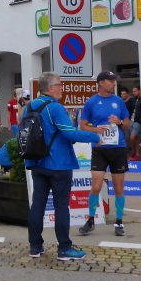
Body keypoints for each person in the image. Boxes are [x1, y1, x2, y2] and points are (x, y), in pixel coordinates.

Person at [25, 72, 102, 261]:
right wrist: (94, 137)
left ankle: (35, 246)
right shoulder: (55, 107)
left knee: (37, 205)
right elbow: (70, 133)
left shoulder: (30, 106)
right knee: (61, 206)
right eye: (60, 85)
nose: (62, 88)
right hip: (58, 163)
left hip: (36, 161)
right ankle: (65, 248)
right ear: (51, 88)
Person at [79, 71, 130, 237]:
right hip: (100, 148)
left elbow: (127, 124)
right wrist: (95, 130)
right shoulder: (91, 102)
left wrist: (119, 122)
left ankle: (119, 222)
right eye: (111, 81)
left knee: (118, 187)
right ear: (101, 83)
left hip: (118, 148)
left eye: (114, 81)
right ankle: (90, 220)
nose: (114, 84)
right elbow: (83, 126)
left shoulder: (118, 101)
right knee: (96, 186)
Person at [120, 87, 136, 153]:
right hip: (121, 121)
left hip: (129, 121)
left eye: (124, 94)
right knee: (123, 136)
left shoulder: (131, 101)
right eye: (121, 94)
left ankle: (129, 148)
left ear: (127, 94)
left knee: (128, 136)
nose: (122, 95)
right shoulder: (121, 102)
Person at [129, 86, 141, 161]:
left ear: (139, 91)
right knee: (135, 139)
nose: (133, 93)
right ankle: (137, 154)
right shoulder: (134, 100)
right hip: (132, 120)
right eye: (133, 91)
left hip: (137, 122)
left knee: (132, 137)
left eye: (135, 91)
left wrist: (139, 120)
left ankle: (133, 151)